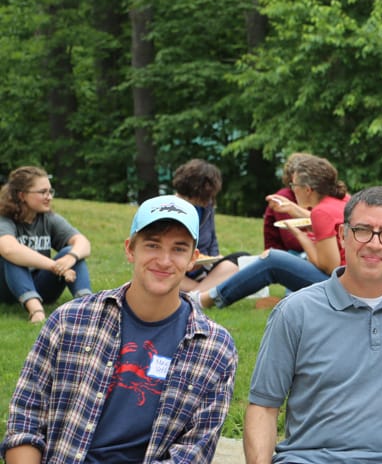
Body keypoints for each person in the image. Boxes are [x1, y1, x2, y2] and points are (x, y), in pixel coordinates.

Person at [1, 195, 237, 463]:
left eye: (179, 249)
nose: (164, 260)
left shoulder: (215, 348)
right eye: (152, 245)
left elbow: (192, 453)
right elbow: (25, 420)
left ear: (193, 259)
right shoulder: (70, 320)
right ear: (130, 250)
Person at [245, 186, 382, 464]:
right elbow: (264, 407)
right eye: (362, 230)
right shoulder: (296, 312)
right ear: (342, 235)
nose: (375, 244)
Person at [195, 154, 349, 309]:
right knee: (277, 259)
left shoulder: (322, 212)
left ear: (308, 189)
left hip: (339, 289)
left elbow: (330, 267)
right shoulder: (343, 201)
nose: (292, 189)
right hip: (352, 282)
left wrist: (300, 235)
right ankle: (207, 297)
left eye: (294, 185)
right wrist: (292, 208)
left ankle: (204, 300)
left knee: (273, 260)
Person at [0, 166, 92, 324]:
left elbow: (83, 243)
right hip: (9, 289)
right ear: (22, 195)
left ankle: (87, 305)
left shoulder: (47, 218)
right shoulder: (4, 220)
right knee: (15, 257)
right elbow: (9, 249)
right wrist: (55, 266)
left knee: (72, 250)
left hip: (42, 287)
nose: (49, 197)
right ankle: (36, 310)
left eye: (50, 192)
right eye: (43, 192)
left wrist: (70, 257)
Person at [171, 158, 248, 293]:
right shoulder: (171, 210)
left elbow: (212, 237)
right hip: (178, 268)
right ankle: (204, 292)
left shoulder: (207, 207)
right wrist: (188, 263)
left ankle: (197, 292)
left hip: (203, 268)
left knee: (243, 259)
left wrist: (214, 257)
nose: (209, 200)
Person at [262, 152, 317, 253]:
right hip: (283, 253)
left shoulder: (311, 196)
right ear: (292, 177)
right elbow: (292, 242)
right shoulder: (283, 198)